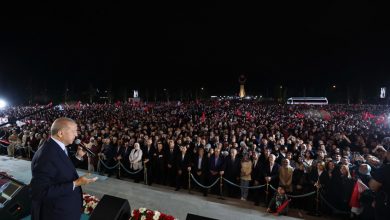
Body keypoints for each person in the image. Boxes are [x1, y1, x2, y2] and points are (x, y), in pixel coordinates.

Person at [30, 118, 98, 220]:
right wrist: (75, 183)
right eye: (73, 131)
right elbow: (39, 192)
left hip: (64, 209)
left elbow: (62, 168)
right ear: (61, 133)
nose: (76, 135)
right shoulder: (47, 155)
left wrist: (78, 156)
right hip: (56, 213)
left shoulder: (57, 146)